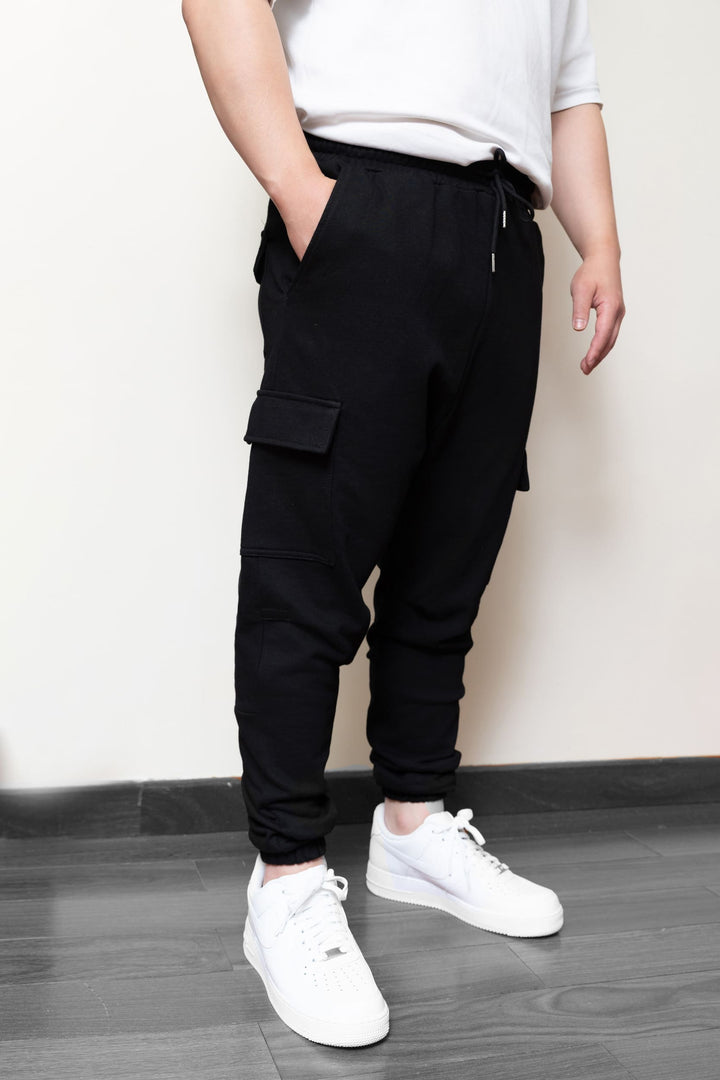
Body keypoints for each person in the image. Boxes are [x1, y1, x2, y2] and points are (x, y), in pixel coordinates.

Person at [182, 0, 625, 1048]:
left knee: (449, 553)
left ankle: (413, 825)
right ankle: (287, 877)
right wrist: (306, 196)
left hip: (505, 232)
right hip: (362, 199)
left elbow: (570, 89)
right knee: (310, 562)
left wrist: (599, 240)